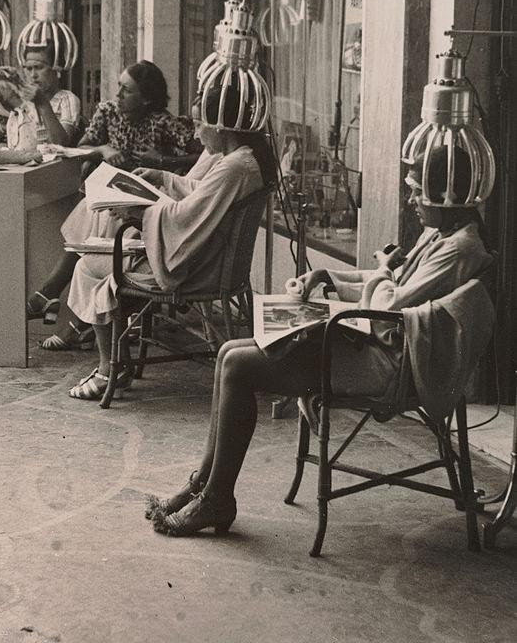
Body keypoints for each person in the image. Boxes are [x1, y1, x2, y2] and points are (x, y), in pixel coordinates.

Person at [148, 145, 491, 537]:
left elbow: (391, 300)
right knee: (229, 351)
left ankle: (217, 498)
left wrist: (381, 272)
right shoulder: (443, 234)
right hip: (377, 343)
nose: (411, 198)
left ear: (442, 193)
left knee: (239, 366)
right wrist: (327, 276)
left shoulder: (460, 249)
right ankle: (205, 486)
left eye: (417, 190)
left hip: (389, 365)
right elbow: (386, 288)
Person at [63, 78, 277, 399]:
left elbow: (185, 218)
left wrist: (137, 212)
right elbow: (201, 195)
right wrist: (162, 178)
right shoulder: (243, 159)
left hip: (200, 268)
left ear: (220, 128)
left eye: (198, 125)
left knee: (88, 268)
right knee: (100, 256)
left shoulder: (234, 167)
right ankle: (114, 363)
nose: (194, 133)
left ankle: (111, 369)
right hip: (212, 258)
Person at [29, 60, 198, 344]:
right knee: (96, 212)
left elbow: (202, 154)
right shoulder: (108, 112)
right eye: (119, 86)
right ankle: (69, 313)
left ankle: (57, 303)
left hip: (146, 206)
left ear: (146, 98)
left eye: (127, 90)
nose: (118, 94)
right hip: (114, 196)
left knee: (104, 218)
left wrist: (164, 161)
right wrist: (103, 149)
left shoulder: (162, 121)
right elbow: (80, 148)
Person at [0, 41, 82, 165]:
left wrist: (42, 103)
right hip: (17, 170)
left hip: (47, 172)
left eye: (39, 68)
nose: (33, 75)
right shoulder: (20, 102)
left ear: (56, 70)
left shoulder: (66, 99)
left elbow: (60, 145)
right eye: (28, 68)